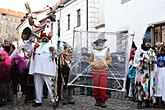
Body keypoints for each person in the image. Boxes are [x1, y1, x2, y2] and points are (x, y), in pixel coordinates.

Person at [29, 32, 56, 107]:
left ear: (49, 38)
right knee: (37, 85)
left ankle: (54, 100)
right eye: (43, 36)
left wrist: (53, 50)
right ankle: (38, 101)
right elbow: (28, 50)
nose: (44, 38)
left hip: (47, 69)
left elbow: (57, 52)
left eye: (46, 37)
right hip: (37, 68)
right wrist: (30, 41)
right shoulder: (36, 45)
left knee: (51, 85)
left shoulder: (52, 45)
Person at [134, 26, 157, 109]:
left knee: (149, 87)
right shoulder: (139, 51)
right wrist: (143, 61)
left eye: (149, 42)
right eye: (147, 41)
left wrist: (152, 60)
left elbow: (155, 59)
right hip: (142, 73)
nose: (148, 43)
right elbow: (135, 61)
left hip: (150, 73)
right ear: (144, 42)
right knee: (141, 87)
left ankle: (147, 101)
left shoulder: (151, 51)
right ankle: (140, 102)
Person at [88, 38, 112, 108]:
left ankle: (103, 101)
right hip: (95, 71)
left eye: (102, 43)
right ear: (97, 44)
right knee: (96, 87)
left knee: (103, 86)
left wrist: (104, 63)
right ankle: (97, 100)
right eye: (100, 43)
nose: (102, 44)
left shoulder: (106, 51)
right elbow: (90, 60)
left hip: (104, 70)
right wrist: (92, 64)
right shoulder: (94, 51)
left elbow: (110, 60)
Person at [155, 43, 165, 108]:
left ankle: (162, 101)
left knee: (163, 86)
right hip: (158, 71)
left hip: (163, 71)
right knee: (158, 85)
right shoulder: (158, 56)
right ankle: (158, 101)